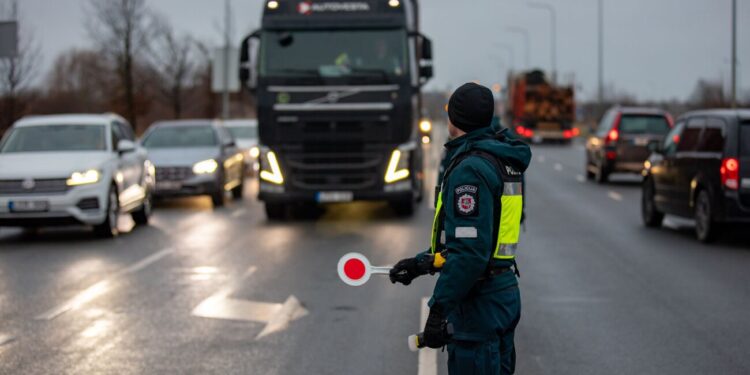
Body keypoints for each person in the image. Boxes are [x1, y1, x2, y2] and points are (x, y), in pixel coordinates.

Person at [390, 83, 531, 374]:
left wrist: (438, 309)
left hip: (479, 304)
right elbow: (483, 238)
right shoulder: (503, 158)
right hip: (502, 292)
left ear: (454, 119)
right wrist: (422, 264)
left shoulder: (471, 169)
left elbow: (470, 254)